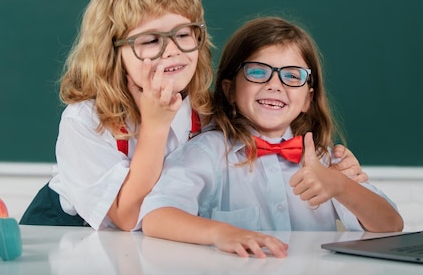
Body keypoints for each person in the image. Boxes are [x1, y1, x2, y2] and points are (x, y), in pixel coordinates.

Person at [20, 0, 366, 231]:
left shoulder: (209, 114)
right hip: (70, 234)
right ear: (112, 52)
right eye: (151, 40)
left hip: (152, 241)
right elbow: (125, 217)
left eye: (184, 34)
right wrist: (154, 126)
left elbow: (272, 136)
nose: (172, 50)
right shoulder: (85, 120)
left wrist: (340, 169)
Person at [140, 16, 404, 257]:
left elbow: (390, 226)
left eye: (291, 75)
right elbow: (155, 216)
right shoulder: (208, 152)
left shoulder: (323, 160)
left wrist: (340, 185)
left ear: (307, 100)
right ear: (230, 90)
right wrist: (221, 232)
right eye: (257, 71)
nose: (275, 85)